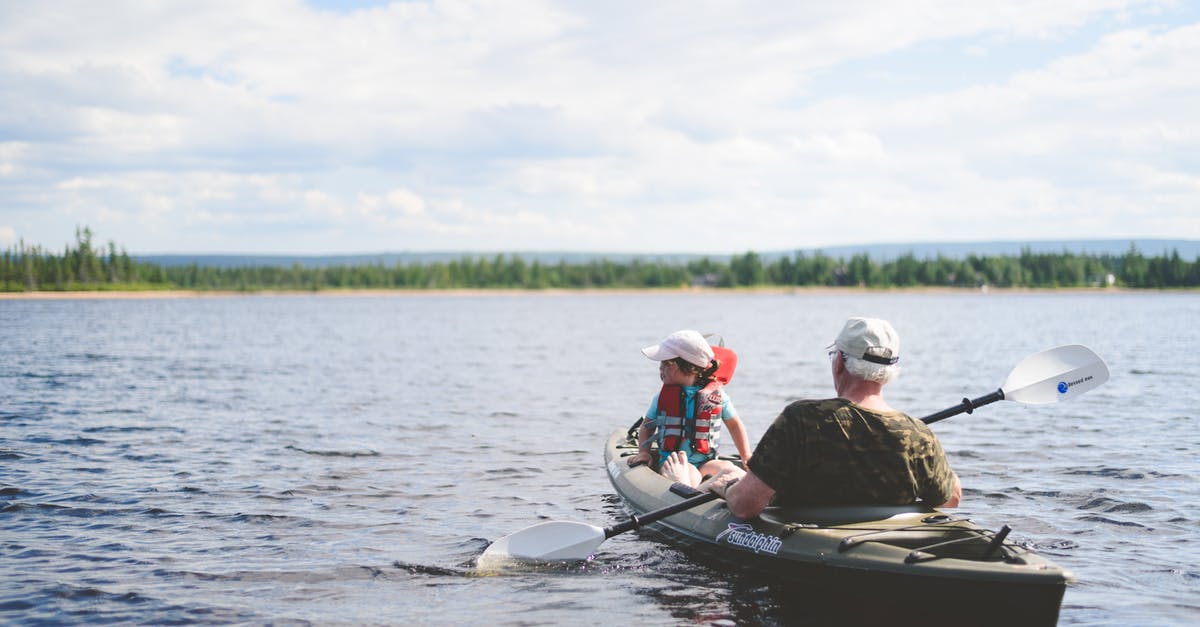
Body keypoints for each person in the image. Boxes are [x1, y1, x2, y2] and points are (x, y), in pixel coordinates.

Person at [681, 317, 961, 519]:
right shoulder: (918, 433)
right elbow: (951, 498)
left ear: (839, 362)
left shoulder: (801, 419)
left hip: (809, 545)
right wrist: (929, 455)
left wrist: (728, 484)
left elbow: (744, 507)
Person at [628, 330, 752, 487]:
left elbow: (735, 425)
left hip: (706, 463)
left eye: (663, 364)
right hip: (674, 463)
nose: (660, 369)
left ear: (675, 366)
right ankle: (699, 493)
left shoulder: (718, 396)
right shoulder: (661, 397)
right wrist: (644, 453)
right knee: (690, 474)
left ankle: (738, 491)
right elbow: (646, 427)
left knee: (728, 468)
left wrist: (746, 455)